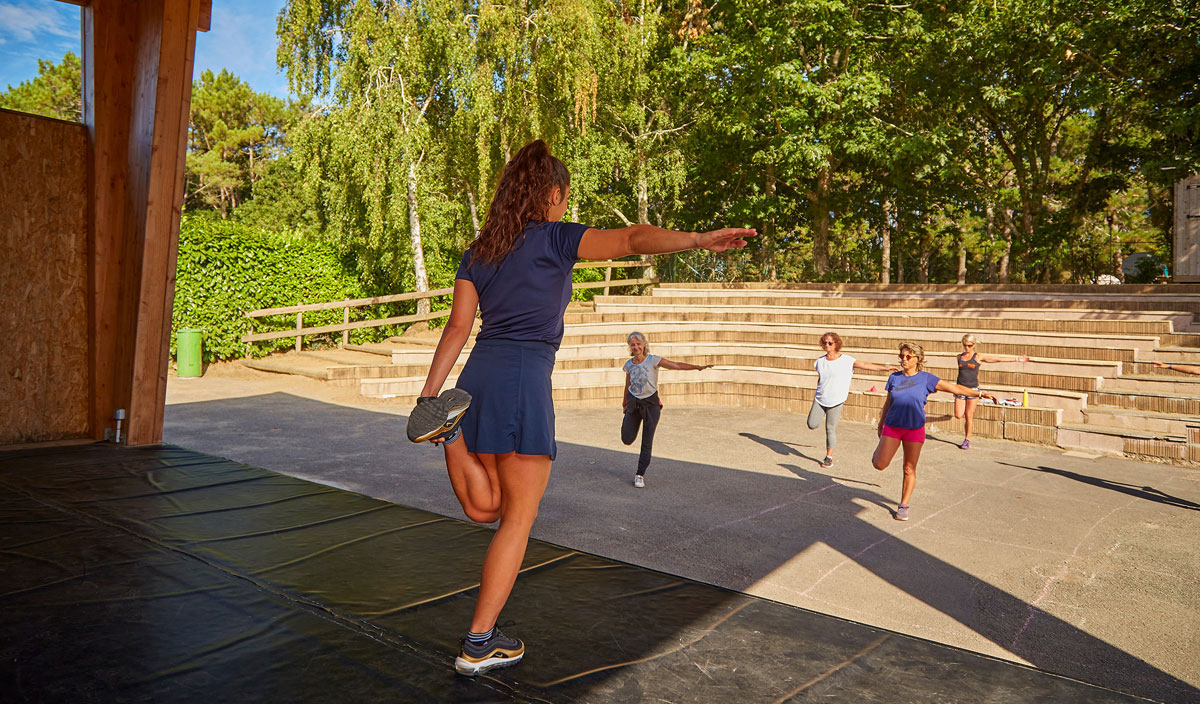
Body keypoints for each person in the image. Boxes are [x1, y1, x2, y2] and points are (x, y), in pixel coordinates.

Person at [406, 139, 755, 677]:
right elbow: (634, 238)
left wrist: (430, 398)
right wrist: (699, 240)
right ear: (552, 194)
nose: (565, 205)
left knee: (486, 508)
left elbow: (457, 328)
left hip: (477, 378)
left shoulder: (479, 252)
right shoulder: (556, 239)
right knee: (516, 520)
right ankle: (479, 642)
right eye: (563, 197)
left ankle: (449, 433)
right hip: (523, 380)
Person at [873, 342, 995, 521]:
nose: (904, 359)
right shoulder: (894, 378)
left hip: (914, 429)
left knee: (909, 468)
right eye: (901, 356)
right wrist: (881, 423)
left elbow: (956, 388)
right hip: (893, 426)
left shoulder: (927, 379)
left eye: (908, 356)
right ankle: (880, 452)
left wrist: (980, 394)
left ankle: (904, 505)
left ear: (918, 359)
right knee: (879, 464)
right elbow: (888, 402)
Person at [621, 331, 711, 488]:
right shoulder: (629, 365)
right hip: (634, 404)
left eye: (638, 344)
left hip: (651, 406)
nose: (636, 347)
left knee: (647, 441)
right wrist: (624, 403)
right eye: (633, 345)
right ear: (630, 347)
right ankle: (629, 424)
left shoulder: (653, 360)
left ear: (644, 345)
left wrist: (696, 367)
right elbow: (627, 385)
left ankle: (640, 474)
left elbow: (675, 365)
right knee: (626, 438)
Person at [809, 332, 897, 468]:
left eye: (830, 343)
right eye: (825, 342)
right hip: (820, 399)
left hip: (837, 400)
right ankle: (820, 420)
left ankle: (829, 457)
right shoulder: (819, 362)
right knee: (812, 424)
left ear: (836, 344)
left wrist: (885, 368)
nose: (827, 345)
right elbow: (821, 379)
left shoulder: (846, 360)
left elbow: (866, 365)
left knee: (830, 428)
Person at [953, 333, 1030, 450]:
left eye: (969, 345)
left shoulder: (978, 357)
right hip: (960, 389)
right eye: (965, 345)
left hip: (973, 389)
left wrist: (1017, 358)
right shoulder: (959, 357)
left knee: (969, 415)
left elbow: (997, 359)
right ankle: (966, 436)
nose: (967, 348)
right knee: (958, 415)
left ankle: (967, 439)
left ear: (974, 345)